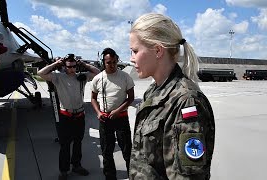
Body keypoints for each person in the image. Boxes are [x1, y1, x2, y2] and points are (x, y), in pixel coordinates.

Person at [129, 13, 215, 179]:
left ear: (158, 50)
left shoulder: (187, 102)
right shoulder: (153, 90)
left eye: (135, 51)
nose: (131, 59)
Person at [37, 54, 100, 180]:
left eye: (74, 66)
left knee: (78, 142)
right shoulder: (58, 77)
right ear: (64, 67)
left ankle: (76, 165)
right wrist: (56, 64)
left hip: (80, 115)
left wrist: (83, 64)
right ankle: (64, 170)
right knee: (65, 145)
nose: (72, 69)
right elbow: (41, 73)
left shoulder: (81, 77)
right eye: (69, 67)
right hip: (65, 116)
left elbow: (98, 72)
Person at [91, 48, 135, 180]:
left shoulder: (125, 77)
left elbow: (131, 98)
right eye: (109, 62)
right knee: (107, 152)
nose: (112, 65)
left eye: (114, 62)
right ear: (103, 63)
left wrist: (118, 111)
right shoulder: (98, 78)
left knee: (127, 151)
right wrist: (98, 112)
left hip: (121, 118)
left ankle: (133, 175)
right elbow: (93, 98)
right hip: (105, 120)